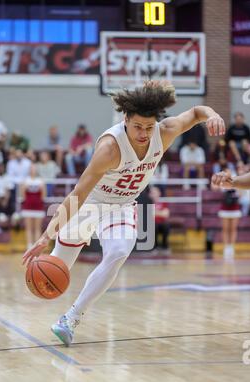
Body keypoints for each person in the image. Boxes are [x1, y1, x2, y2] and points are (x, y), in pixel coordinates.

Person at [23, 80, 225, 346]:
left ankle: (71, 319)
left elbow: (197, 112)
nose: (143, 133)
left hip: (122, 205)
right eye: (138, 126)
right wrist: (46, 236)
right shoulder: (109, 149)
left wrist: (213, 114)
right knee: (54, 272)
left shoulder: (165, 132)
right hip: (91, 203)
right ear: (125, 119)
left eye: (149, 127)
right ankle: (58, 264)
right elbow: (77, 195)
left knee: (119, 251)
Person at [20, 164, 46, 249]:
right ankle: (29, 246)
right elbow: (22, 195)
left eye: (34, 168)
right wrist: (24, 188)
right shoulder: (25, 180)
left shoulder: (40, 181)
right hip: (28, 206)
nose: (33, 170)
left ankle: (36, 246)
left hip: (38, 206)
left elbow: (44, 196)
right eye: (31, 168)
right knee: (28, 228)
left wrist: (42, 189)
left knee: (37, 228)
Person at [150, 186, 170, 253]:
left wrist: (154, 212)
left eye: (155, 192)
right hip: (151, 223)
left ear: (159, 193)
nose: (153, 194)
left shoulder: (163, 202)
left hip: (161, 223)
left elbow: (166, 214)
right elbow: (148, 214)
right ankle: (155, 247)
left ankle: (164, 246)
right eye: (152, 192)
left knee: (166, 226)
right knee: (153, 226)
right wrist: (160, 212)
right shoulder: (148, 202)